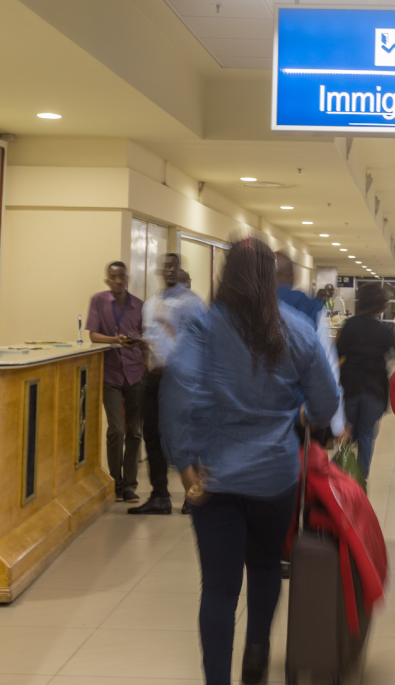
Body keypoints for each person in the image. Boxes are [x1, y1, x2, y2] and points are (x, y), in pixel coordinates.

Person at [160, 236, 340, 685]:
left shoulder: (203, 327)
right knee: (264, 566)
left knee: (219, 588)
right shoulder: (298, 329)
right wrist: (304, 416)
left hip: (214, 477)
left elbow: (178, 391)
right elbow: (325, 402)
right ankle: (257, 652)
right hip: (275, 476)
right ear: (270, 278)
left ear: (228, 274)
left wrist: (184, 464)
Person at [130, 254, 205, 516]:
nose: (170, 270)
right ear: (160, 270)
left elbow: (201, 341)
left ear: (181, 270)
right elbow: (152, 338)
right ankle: (159, 495)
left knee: (185, 436)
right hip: (153, 376)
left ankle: (192, 495)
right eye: (166, 266)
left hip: (181, 379)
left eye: (175, 266)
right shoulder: (151, 303)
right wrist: (141, 343)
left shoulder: (193, 302)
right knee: (152, 435)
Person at [86, 261, 146, 503]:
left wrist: (136, 339)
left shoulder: (139, 305)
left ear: (127, 278)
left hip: (135, 373)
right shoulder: (98, 301)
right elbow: (93, 335)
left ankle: (130, 485)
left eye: (122, 276)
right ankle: (115, 482)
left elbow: (145, 335)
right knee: (116, 430)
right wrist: (115, 340)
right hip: (110, 374)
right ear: (107, 281)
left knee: (134, 431)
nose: (119, 281)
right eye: (114, 277)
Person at [276, 251, 347, 443]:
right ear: (294, 276)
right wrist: (337, 424)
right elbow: (329, 367)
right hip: (299, 412)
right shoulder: (311, 309)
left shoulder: (243, 304)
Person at [337, 283, 395, 481]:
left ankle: (339, 473)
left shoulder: (350, 325)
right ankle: (360, 479)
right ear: (380, 306)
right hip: (375, 388)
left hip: (349, 386)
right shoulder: (383, 331)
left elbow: (337, 353)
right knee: (366, 434)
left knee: (347, 431)